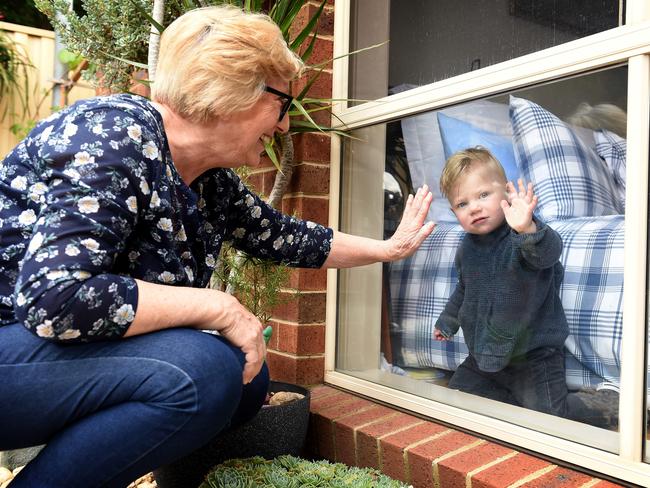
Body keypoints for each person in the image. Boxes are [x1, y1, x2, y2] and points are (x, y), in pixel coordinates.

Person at [0, 6, 435, 487]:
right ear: (230, 88)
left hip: (43, 358)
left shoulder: (209, 181)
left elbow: (290, 238)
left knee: (248, 383)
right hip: (12, 343)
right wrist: (219, 308)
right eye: (282, 105)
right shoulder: (111, 134)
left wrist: (388, 248)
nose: (286, 126)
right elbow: (54, 299)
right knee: (203, 372)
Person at [434, 147, 603, 423]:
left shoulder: (523, 234)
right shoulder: (466, 248)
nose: (474, 207)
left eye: (483, 195)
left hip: (533, 357)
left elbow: (548, 254)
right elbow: (464, 289)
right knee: (458, 400)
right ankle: (510, 401)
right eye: (462, 204)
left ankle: (595, 406)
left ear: (506, 192)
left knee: (549, 419)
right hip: (484, 357)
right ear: (454, 212)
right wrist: (448, 321)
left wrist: (527, 229)